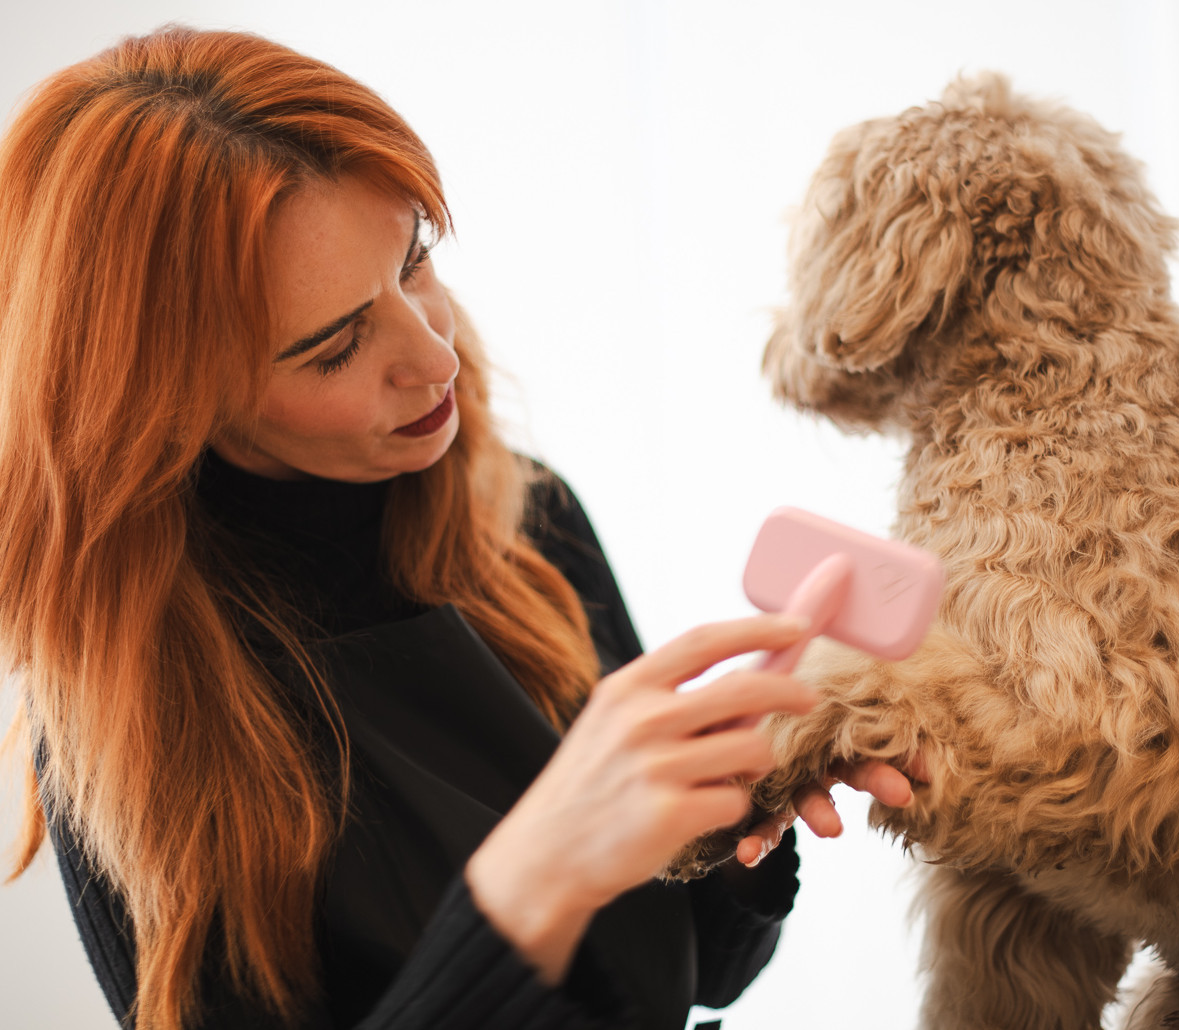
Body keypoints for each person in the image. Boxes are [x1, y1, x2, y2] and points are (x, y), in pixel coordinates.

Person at [0, 26, 918, 1030]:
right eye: (335, 346)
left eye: (415, 261)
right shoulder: (129, 721)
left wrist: (740, 807)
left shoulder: (531, 519)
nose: (433, 358)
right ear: (169, 403)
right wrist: (529, 884)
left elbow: (693, 972)